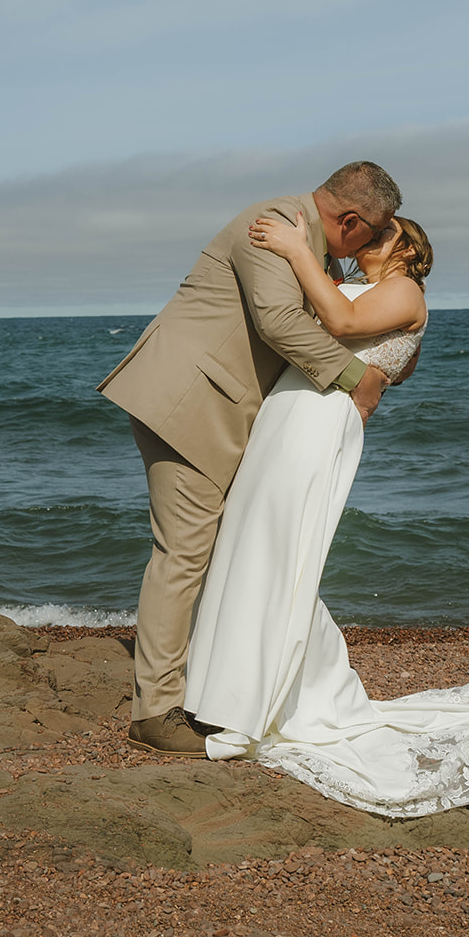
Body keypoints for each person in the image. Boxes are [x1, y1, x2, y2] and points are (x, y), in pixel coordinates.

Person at [184, 211, 469, 818]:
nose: (368, 241)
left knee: (285, 550)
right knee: (252, 543)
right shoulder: (356, 281)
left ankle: (257, 701)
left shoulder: (405, 291)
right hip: (288, 407)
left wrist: (295, 247)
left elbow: (343, 321)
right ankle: (237, 686)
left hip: (319, 416)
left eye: (383, 234)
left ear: (409, 248)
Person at [97, 161, 403, 755]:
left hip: (218, 411)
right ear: (351, 221)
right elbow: (279, 321)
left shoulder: (312, 244)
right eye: (373, 232)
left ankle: (203, 685)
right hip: (186, 401)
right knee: (184, 552)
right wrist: (354, 378)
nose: (368, 246)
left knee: (215, 550)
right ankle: (155, 712)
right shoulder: (275, 225)